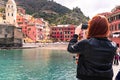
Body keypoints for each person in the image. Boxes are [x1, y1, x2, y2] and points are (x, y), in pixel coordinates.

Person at [67, 15, 117, 80]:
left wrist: (76, 34)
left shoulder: (86, 43)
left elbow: (70, 48)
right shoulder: (113, 45)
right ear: (106, 28)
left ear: (91, 28)